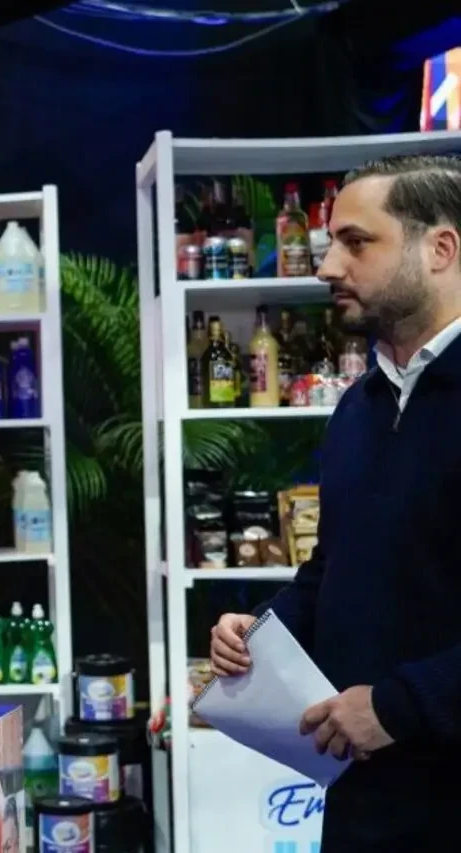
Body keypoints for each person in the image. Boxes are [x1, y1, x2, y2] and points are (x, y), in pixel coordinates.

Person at [209, 154, 461, 850]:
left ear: (440, 249)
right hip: (363, 796)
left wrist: (397, 707)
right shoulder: (359, 407)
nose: (326, 267)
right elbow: (334, 568)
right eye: (327, 244)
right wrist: (263, 635)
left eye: (356, 242)